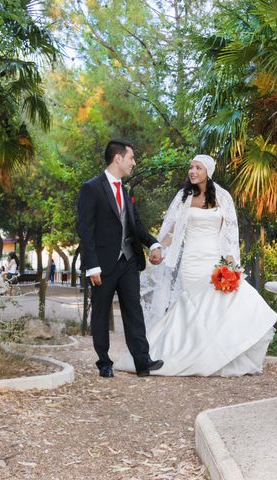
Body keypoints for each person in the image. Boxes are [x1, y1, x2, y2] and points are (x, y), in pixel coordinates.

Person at [116, 154, 276, 376]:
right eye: (191, 167)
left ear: (207, 172)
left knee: (224, 305)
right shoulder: (183, 198)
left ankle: (217, 356)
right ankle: (190, 354)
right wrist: (158, 247)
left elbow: (230, 235)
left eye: (198, 168)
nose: (192, 171)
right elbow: (172, 231)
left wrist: (231, 265)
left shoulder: (223, 198)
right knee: (195, 309)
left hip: (214, 260)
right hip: (191, 261)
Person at [77, 139, 165, 378]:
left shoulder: (124, 191)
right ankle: (104, 362)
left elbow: (135, 224)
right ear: (118, 158)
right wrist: (91, 265)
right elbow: (86, 229)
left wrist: (153, 243)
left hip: (128, 261)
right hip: (102, 264)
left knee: (134, 311)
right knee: (101, 312)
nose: (133, 163)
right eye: (131, 158)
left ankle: (142, 361)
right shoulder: (91, 188)